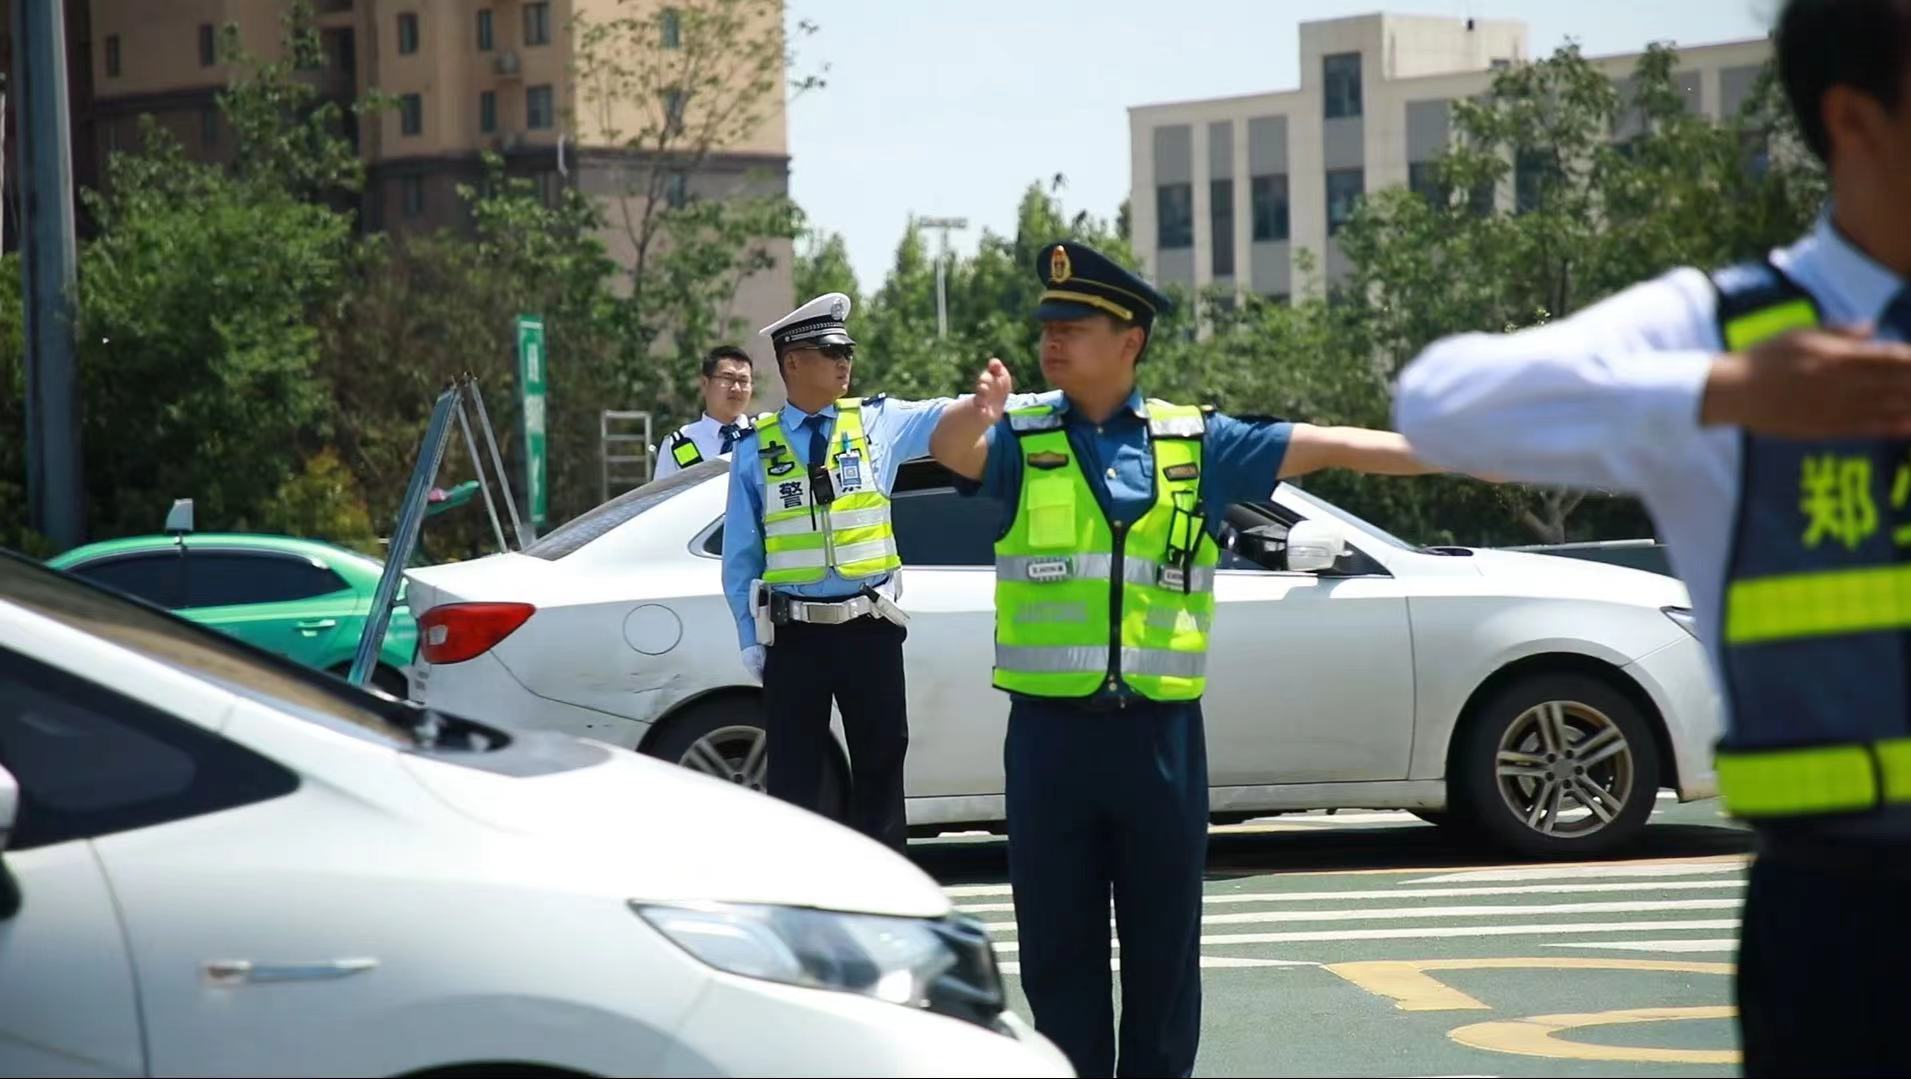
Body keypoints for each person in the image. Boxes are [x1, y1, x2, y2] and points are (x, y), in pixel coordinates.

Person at [1391, 2, 1911, 1074]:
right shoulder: (1732, 332)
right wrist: (1722, 394)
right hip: (1854, 921)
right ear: (1857, 120)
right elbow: (1441, 405)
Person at [929, 241, 1462, 1078]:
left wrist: (1468, 449)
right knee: (1057, 955)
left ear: (1130, 340)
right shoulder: (1020, 437)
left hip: (1160, 744)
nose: (1052, 340)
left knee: (1163, 957)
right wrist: (977, 409)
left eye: (1074, 325)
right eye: (1047, 326)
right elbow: (954, 449)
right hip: (1048, 743)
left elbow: (1335, 447)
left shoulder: (1195, 441)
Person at [722, 292, 1038, 851]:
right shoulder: (755, 448)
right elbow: (741, 556)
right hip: (794, 637)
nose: (846, 362)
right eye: (830, 351)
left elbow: (959, 410)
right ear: (793, 361)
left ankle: (886, 893)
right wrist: (750, 639)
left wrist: (1057, 402)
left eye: (848, 350)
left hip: (870, 630)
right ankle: (798, 893)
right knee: (794, 780)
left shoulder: (878, 422)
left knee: (881, 770)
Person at [653, 345, 757, 479]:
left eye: (743, 380)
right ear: (704, 383)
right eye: (728, 378)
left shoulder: (764, 434)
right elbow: (664, 497)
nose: (736, 388)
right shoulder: (680, 443)